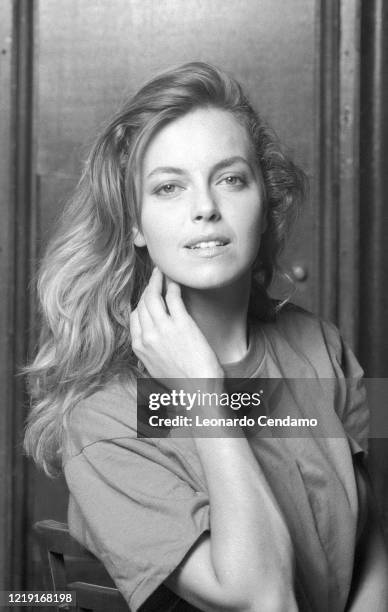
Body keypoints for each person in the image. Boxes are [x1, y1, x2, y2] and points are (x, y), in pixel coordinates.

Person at [24, 62, 388, 611]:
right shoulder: (103, 419)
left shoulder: (325, 345)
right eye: (169, 187)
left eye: (231, 178)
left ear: (266, 203)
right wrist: (201, 396)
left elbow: (375, 531)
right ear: (136, 226)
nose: (205, 208)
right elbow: (264, 599)